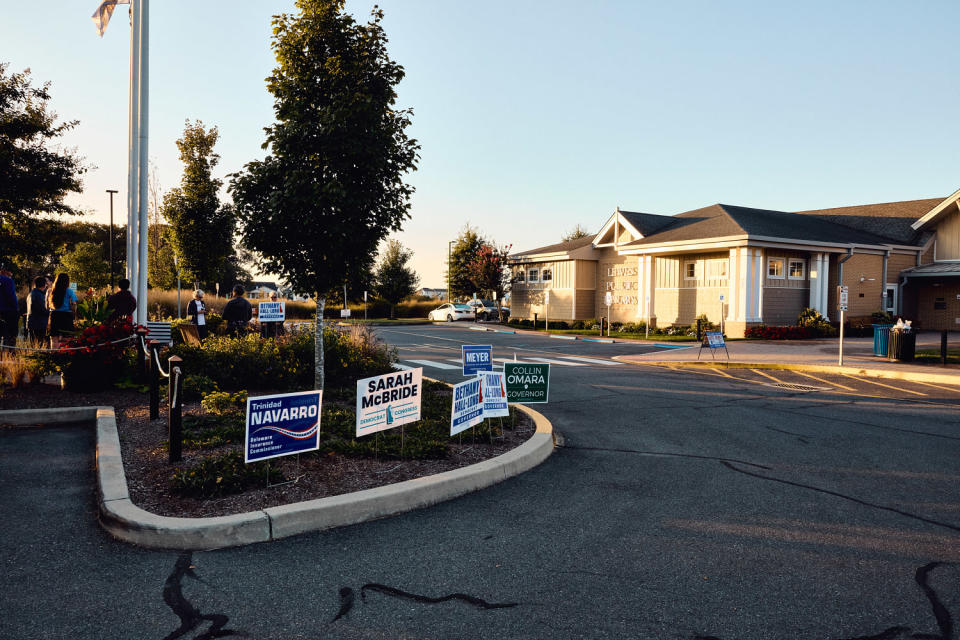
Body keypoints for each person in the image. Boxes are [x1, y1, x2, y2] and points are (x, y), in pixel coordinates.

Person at [46, 273, 78, 346]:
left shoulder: (51, 291)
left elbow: (47, 306)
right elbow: (74, 305)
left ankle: (54, 355)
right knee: (67, 339)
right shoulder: (69, 291)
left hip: (54, 316)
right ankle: (64, 355)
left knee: (54, 339)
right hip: (66, 316)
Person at [25, 276, 49, 343]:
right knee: (40, 345)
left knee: (34, 344)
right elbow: (42, 310)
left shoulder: (31, 294)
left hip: (32, 323)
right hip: (39, 324)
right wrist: (51, 313)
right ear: (44, 285)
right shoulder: (39, 295)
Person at [0, 268, 18, 346]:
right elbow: (11, 296)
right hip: (8, 311)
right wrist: (16, 308)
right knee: (10, 335)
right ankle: (8, 355)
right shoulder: (8, 281)